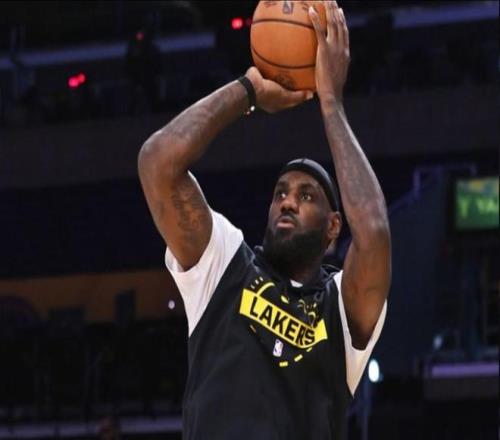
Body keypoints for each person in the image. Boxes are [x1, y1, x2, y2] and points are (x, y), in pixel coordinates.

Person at [138, 2, 391, 439]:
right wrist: (248, 89)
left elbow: (374, 231)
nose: (288, 202)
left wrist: (331, 102)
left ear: (333, 227)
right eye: (280, 193)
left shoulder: (339, 308)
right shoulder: (225, 265)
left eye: (306, 196)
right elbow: (156, 162)